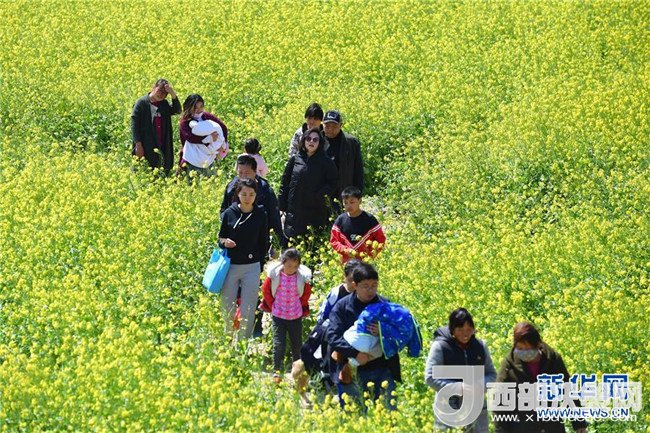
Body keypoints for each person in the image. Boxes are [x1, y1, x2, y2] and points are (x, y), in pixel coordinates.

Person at [325, 262, 401, 411]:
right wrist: (355, 353)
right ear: (355, 285)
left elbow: (400, 333)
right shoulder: (342, 307)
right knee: (355, 415)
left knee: (388, 415)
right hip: (352, 370)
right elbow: (332, 336)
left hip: (382, 368)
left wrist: (383, 331)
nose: (370, 290)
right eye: (365, 286)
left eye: (374, 285)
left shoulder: (386, 305)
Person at [494, 322, 588, 433]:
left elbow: (568, 391)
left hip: (552, 426)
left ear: (538, 344)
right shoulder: (509, 365)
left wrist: (579, 423)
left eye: (528, 349)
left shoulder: (552, 360)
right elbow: (500, 403)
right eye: (520, 348)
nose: (524, 353)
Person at [425, 308, 497, 432]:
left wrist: (479, 386)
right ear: (452, 329)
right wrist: (460, 388)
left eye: (469, 329)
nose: (465, 334)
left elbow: (491, 374)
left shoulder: (480, 346)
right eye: (460, 330)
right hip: (448, 405)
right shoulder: (441, 347)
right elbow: (430, 377)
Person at [218, 178, 268, 339]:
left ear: (256, 195)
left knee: (249, 306)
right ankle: (228, 338)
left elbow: (263, 241)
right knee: (227, 305)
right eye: (244, 194)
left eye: (251, 194)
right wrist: (225, 242)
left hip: (252, 266)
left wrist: (261, 264)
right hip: (231, 266)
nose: (247, 198)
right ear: (238, 194)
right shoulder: (229, 213)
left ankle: (243, 341)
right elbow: (220, 238)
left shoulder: (260, 214)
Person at [300, 259, 360, 379]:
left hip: (351, 331)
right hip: (331, 327)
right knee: (307, 349)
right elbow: (324, 314)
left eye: (356, 281)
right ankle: (317, 373)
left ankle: (331, 375)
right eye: (350, 280)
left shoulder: (362, 294)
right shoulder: (336, 292)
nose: (353, 284)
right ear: (344, 277)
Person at [259, 248, 312, 383]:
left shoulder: (301, 278)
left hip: (295, 316)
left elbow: (306, 293)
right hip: (278, 316)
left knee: (297, 345)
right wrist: (272, 305)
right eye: (289, 266)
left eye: (295, 266)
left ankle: (298, 374)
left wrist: (299, 305)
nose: (291, 269)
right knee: (279, 345)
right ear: (282, 263)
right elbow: (266, 290)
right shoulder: (275, 276)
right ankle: (277, 372)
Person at [278, 128, 338, 242]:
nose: (311, 142)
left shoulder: (326, 162)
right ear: (303, 141)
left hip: (315, 208)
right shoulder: (295, 159)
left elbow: (333, 183)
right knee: (292, 242)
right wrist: (281, 205)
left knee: (311, 242)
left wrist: (319, 196)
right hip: (294, 208)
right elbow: (284, 182)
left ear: (320, 143)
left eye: (315, 140)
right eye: (308, 139)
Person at [221, 154, 286, 249]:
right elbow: (224, 210)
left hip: (257, 240)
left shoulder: (265, 191)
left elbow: (274, 218)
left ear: (255, 172)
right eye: (240, 173)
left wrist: (277, 243)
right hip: (234, 241)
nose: (243, 177)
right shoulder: (231, 188)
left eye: (247, 173)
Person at [130, 78, 181, 174]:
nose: (161, 94)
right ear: (153, 87)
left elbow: (177, 110)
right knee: (145, 169)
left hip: (161, 142)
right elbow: (134, 125)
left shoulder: (163, 104)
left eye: (164, 93)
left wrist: (172, 93)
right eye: (159, 90)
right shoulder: (141, 103)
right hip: (146, 143)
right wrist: (138, 145)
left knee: (162, 168)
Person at [330, 186, 386, 263]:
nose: (348, 206)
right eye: (345, 203)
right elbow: (334, 241)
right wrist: (345, 250)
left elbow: (380, 240)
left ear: (360, 201)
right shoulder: (340, 220)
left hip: (366, 262)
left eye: (352, 202)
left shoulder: (369, 219)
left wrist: (371, 255)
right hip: (347, 263)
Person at [178, 94, 229, 176]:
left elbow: (223, 127)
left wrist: (223, 144)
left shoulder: (206, 116)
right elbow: (191, 138)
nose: (199, 110)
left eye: (201, 106)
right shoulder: (185, 121)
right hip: (192, 159)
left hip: (208, 158)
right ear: (188, 107)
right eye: (195, 107)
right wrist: (210, 138)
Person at [322, 110, 364, 199]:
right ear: (322, 124)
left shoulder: (351, 142)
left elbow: (358, 170)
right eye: (327, 126)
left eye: (334, 126)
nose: (330, 129)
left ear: (341, 125)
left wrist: (358, 194)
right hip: (322, 192)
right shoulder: (316, 140)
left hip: (344, 191)